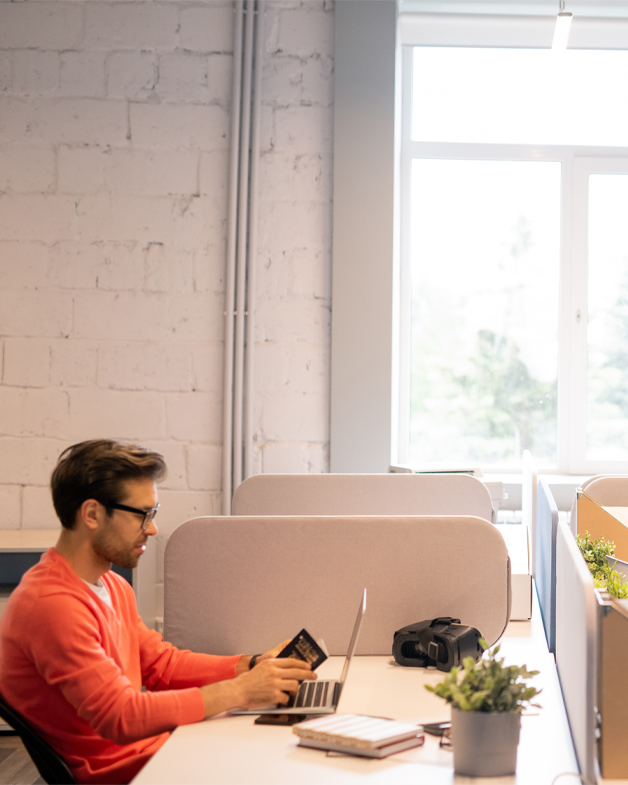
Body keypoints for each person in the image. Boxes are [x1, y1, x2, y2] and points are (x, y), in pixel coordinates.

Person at [0, 440, 315, 785]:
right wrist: (241, 691)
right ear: (91, 514)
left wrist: (251, 665)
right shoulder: (51, 604)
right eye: (143, 515)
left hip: (155, 752)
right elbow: (121, 717)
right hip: (126, 774)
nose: (153, 529)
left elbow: (161, 665)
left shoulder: (112, 586)